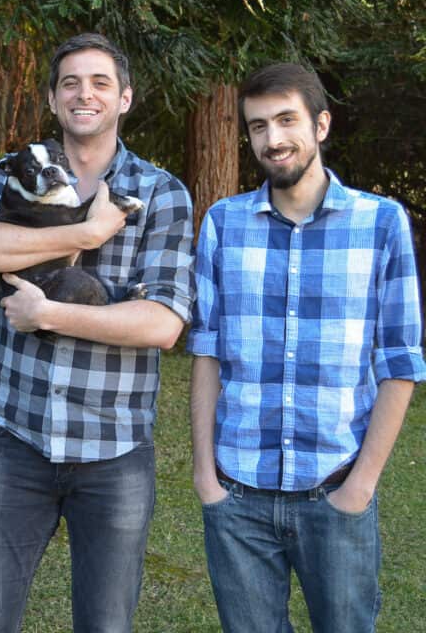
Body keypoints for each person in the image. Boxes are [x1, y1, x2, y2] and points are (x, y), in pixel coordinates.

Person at [0, 32, 194, 632]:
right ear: (55, 100)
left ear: (125, 98)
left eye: (100, 82)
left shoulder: (162, 193)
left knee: (106, 626)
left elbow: (163, 323)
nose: (85, 94)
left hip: (114, 450)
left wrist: (51, 316)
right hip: (17, 439)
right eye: (71, 83)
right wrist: (82, 236)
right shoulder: (13, 172)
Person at [188, 62, 426, 632]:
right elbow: (207, 352)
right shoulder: (222, 223)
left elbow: (400, 363)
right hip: (238, 496)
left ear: (321, 124)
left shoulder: (382, 222)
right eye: (257, 126)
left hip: (336, 490)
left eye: (286, 120)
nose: (272, 139)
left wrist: (361, 485)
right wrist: (205, 478)